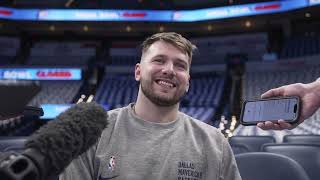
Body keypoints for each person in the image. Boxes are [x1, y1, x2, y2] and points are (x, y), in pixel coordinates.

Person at [59, 32, 241, 180]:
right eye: (159, 60)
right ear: (138, 71)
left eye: (180, 65)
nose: (169, 70)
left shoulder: (216, 143)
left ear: (187, 81)